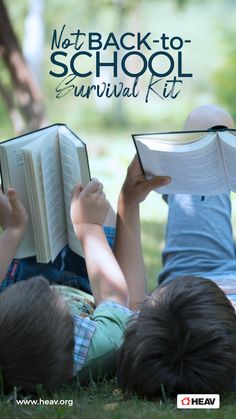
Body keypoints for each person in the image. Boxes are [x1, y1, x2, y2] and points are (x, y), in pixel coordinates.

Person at [0, 161, 170, 392]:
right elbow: (124, 301)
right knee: (100, 208)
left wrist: (14, 228)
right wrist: (94, 221)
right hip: (92, 285)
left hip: (14, 280)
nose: (47, 285)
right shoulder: (100, 346)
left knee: (28, 194)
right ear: (76, 327)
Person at [118, 104, 236, 399]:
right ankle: (191, 189)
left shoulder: (151, 335)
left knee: (205, 121)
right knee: (211, 122)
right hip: (198, 280)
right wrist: (128, 201)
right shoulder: (150, 332)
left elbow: (132, 301)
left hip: (185, 275)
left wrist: (128, 200)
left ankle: (186, 187)